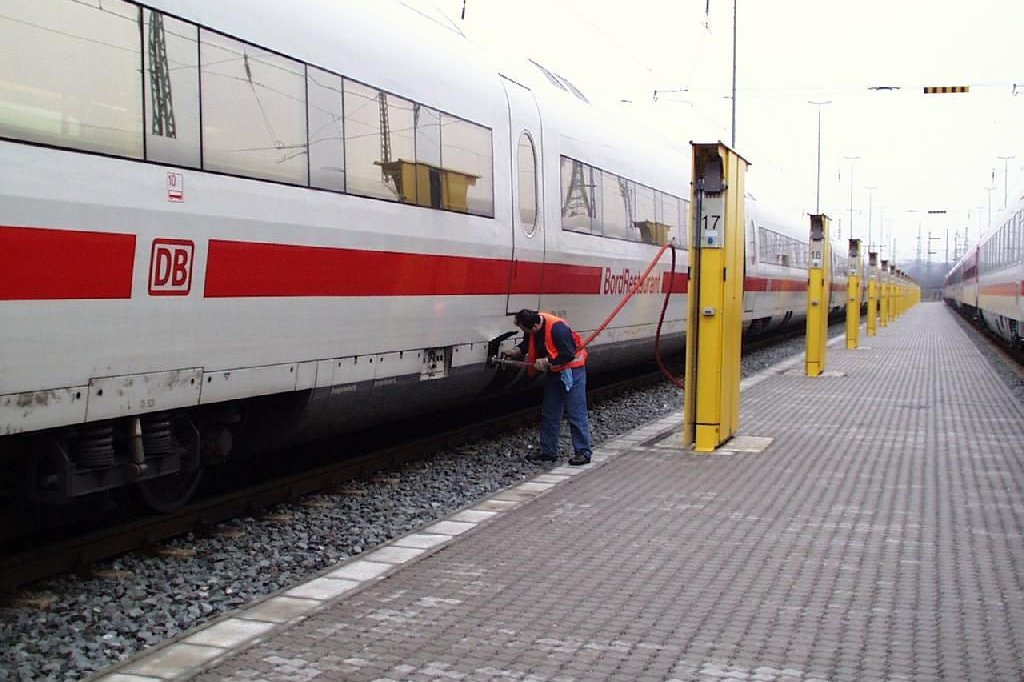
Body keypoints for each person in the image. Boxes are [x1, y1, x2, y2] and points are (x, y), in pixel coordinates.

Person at [503, 309, 593, 466]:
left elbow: (568, 354)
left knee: (575, 412)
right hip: (555, 371)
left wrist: (546, 361)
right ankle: (548, 451)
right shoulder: (533, 324)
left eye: (526, 330)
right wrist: (516, 351)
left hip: (571, 370)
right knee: (550, 412)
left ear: (536, 325)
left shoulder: (558, 329)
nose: (525, 333)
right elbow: (528, 342)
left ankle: (583, 451)